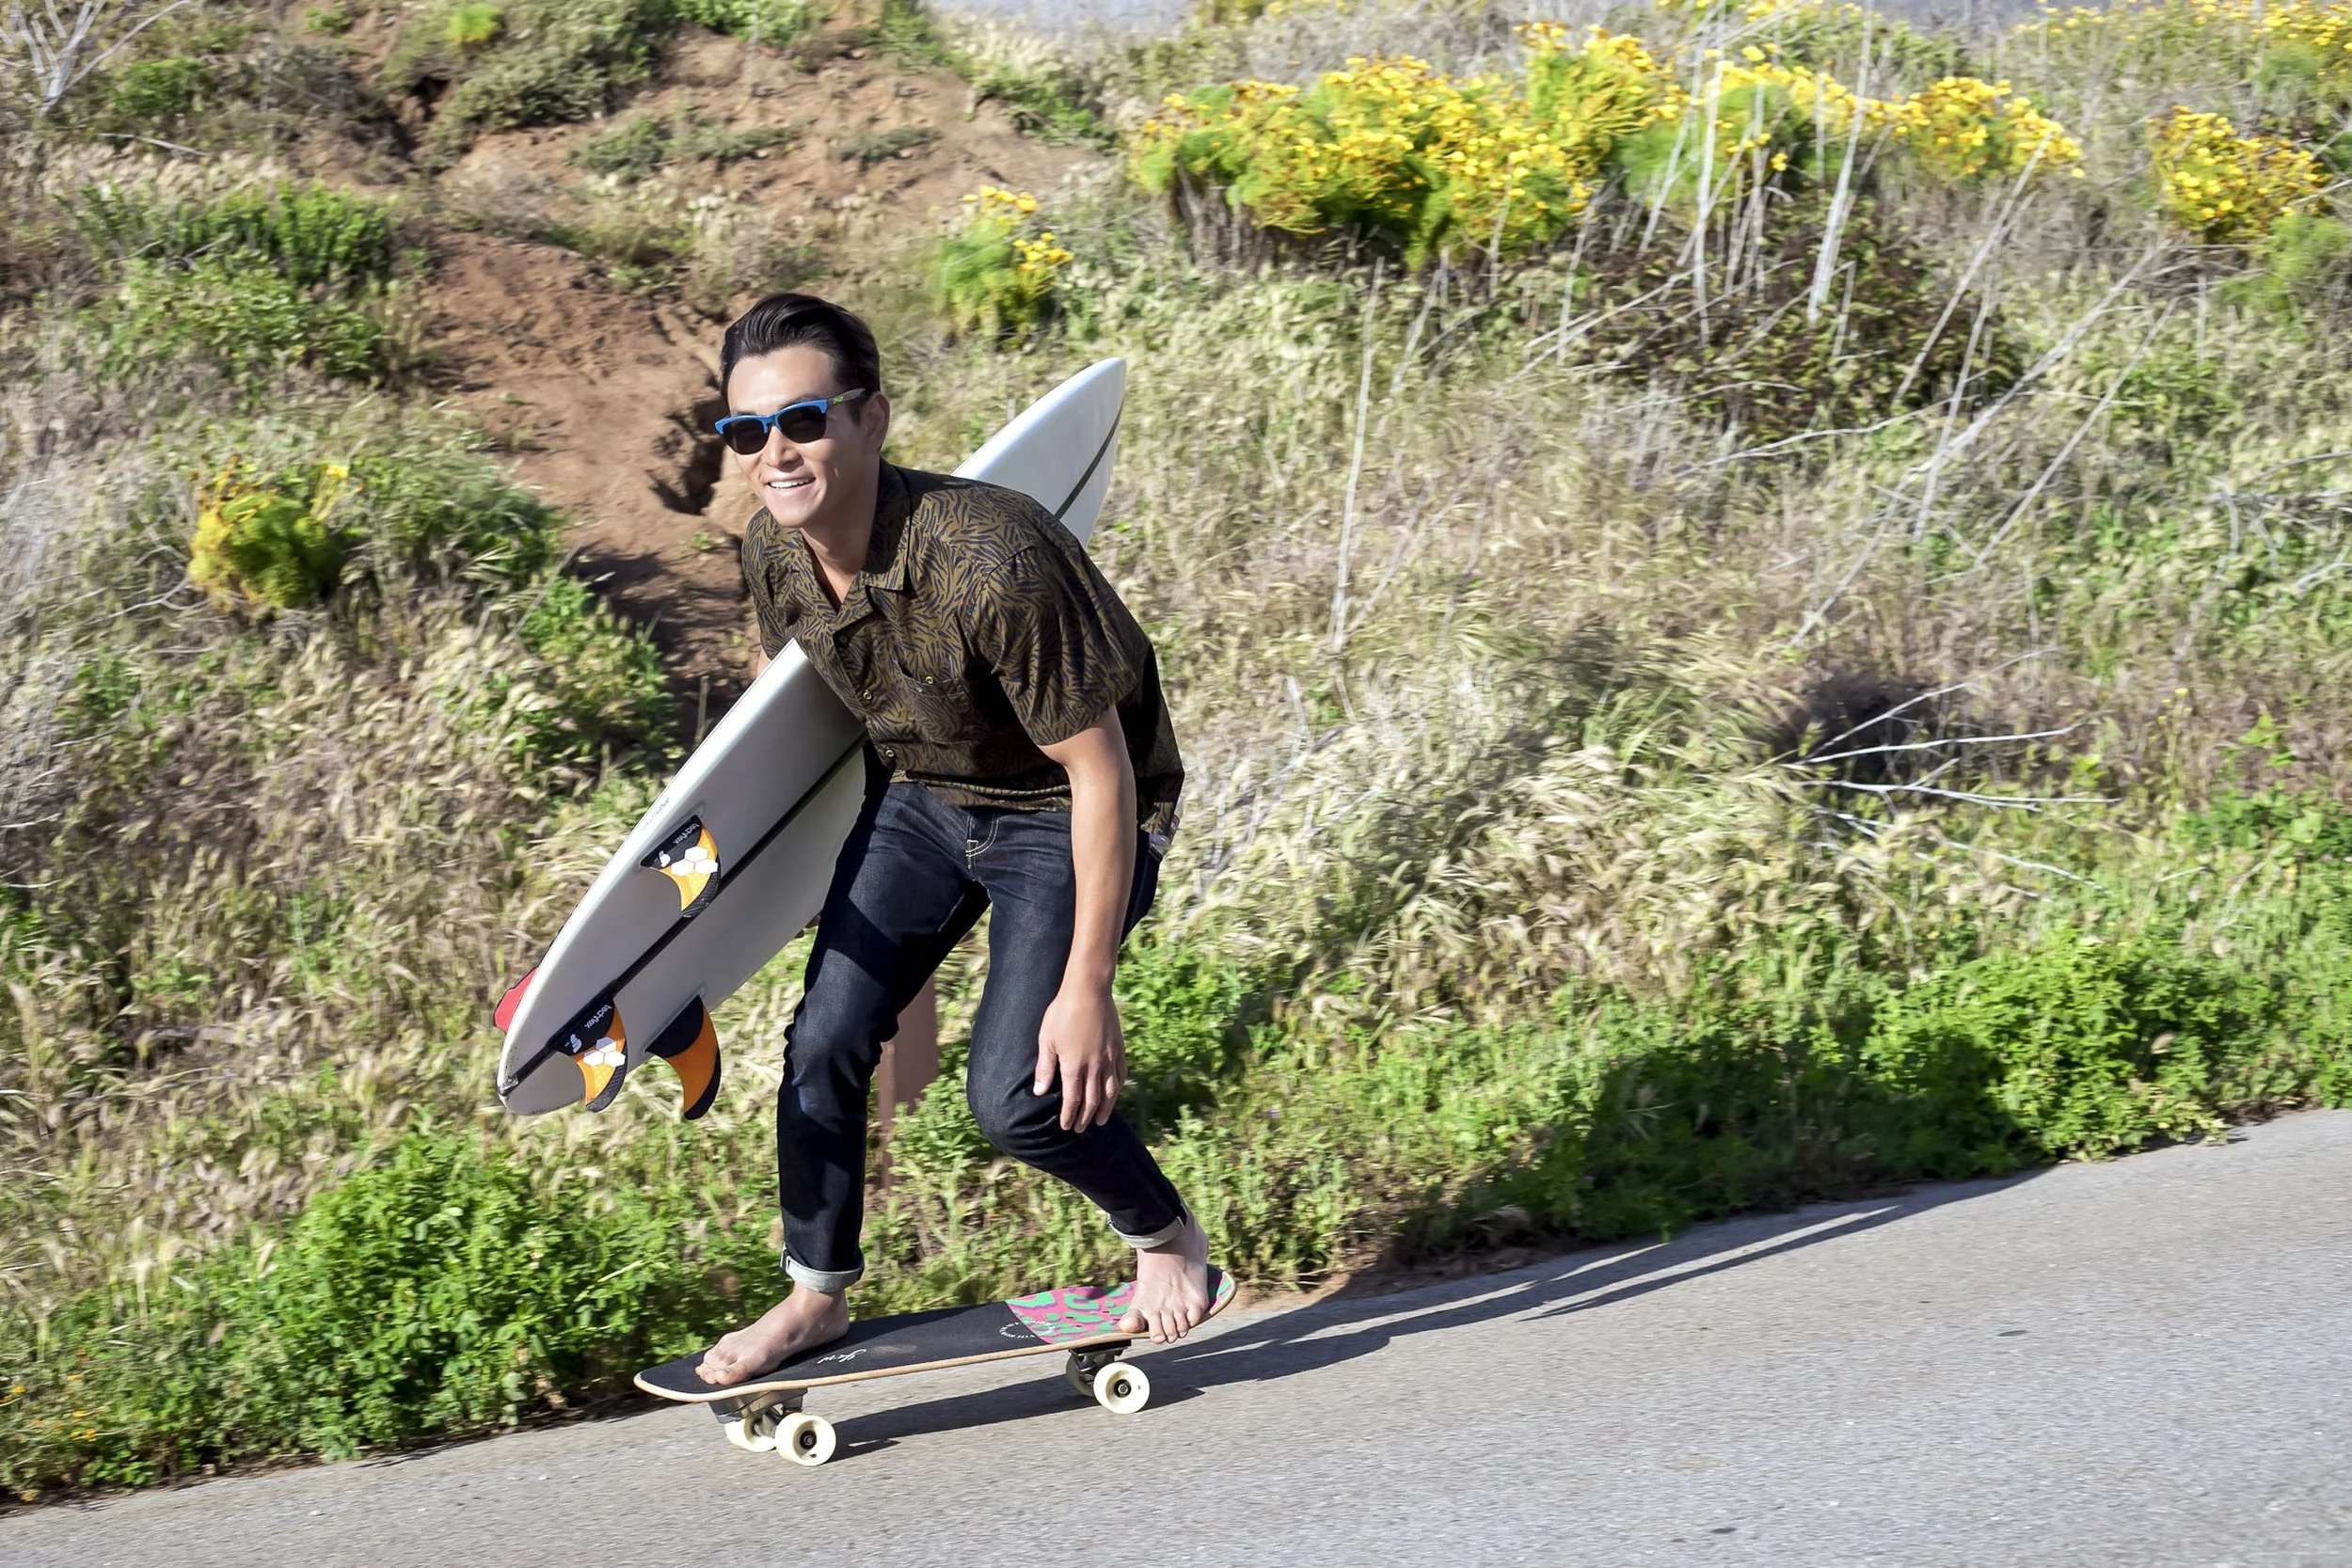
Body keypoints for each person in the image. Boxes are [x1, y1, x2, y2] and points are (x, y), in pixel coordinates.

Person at [693, 293, 1212, 1386]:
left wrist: (1090, 983)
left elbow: (1101, 768)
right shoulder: (773, 553)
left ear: (872, 418)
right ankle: (815, 1292)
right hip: (924, 795)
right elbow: (784, 711)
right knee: (823, 1041)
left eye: (803, 420)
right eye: (747, 432)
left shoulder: (991, 555)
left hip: (1056, 807)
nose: (774, 454)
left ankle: (1165, 1237)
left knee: (1017, 1097)